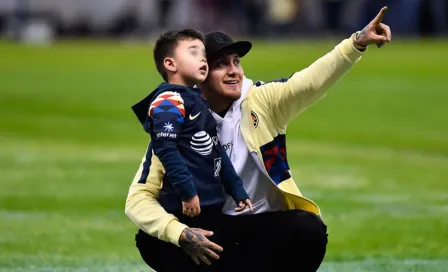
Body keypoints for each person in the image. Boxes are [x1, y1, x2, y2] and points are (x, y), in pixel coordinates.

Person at [125, 7, 392, 272]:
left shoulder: (263, 101)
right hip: (211, 233)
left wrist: (357, 42)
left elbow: (311, 82)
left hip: (261, 225)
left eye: (236, 62)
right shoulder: (180, 117)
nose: (234, 72)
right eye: (221, 64)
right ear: (202, 73)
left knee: (308, 229)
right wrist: (180, 233)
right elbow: (138, 198)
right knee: (151, 239)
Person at [129, 29, 252, 271]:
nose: (203, 60)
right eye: (194, 53)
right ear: (170, 63)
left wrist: (237, 189)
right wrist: (187, 193)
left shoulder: (195, 100)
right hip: (186, 209)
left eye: (204, 56)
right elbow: (167, 150)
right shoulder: (168, 101)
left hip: (211, 208)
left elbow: (217, 150)